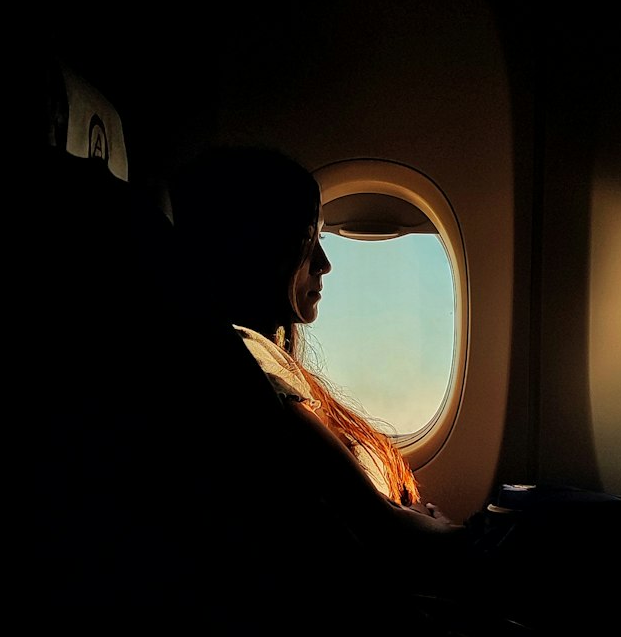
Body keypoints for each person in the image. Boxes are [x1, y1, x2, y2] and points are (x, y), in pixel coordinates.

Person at [168, 145, 471, 587]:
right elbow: (377, 528)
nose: (325, 264)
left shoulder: (265, 360)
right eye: (307, 242)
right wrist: (464, 538)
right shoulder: (242, 364)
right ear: (256, 250)